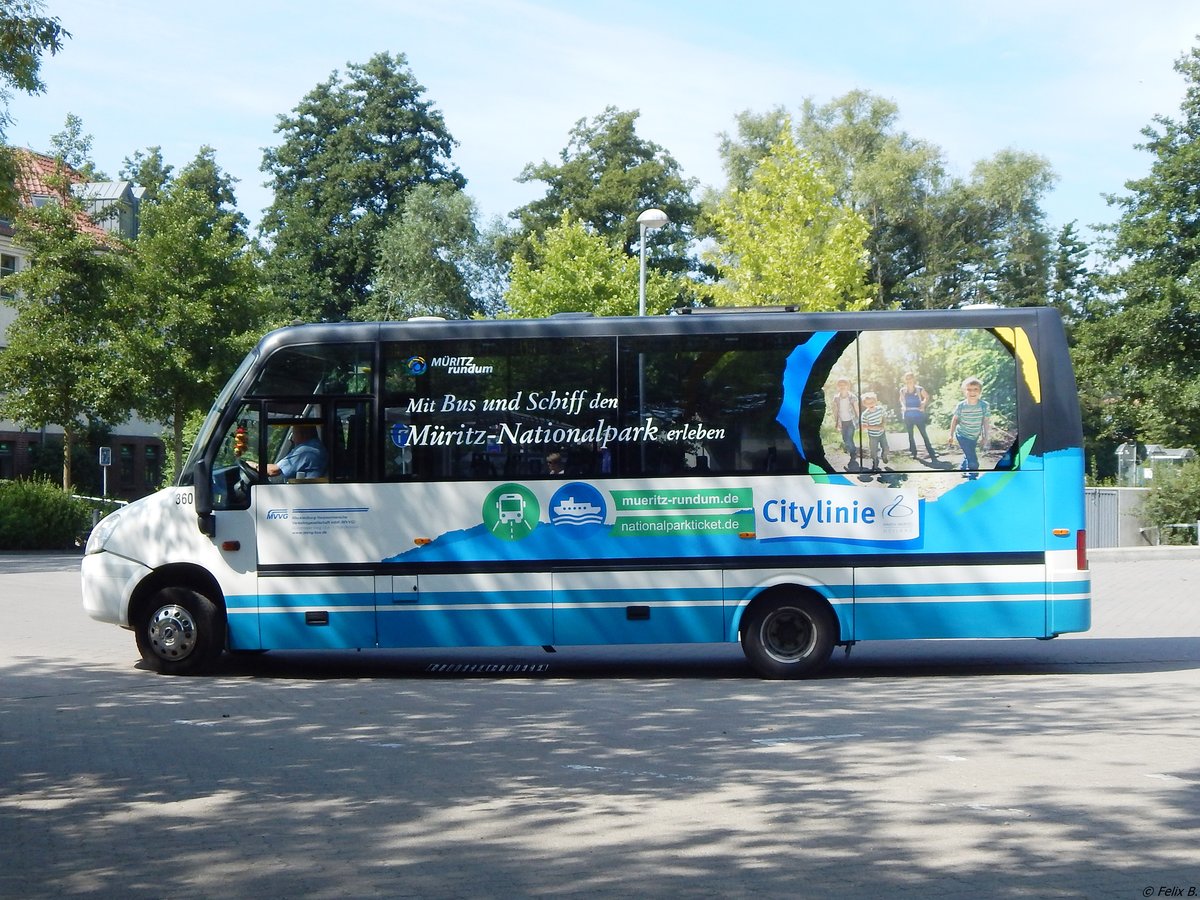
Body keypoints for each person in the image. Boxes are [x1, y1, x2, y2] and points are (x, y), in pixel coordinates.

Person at [949, 377, 991, 478]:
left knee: (969, 452)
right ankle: (972, 476)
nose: (972, 392)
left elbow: (986, 421)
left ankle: (963, 468)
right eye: (969, 389)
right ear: (964, 391)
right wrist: (950, 435)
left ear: (980, 391)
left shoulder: (984, 405)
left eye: (975, 389)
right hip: (962, 434)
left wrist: (985, 437)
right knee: (972, 457)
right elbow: (954, 420)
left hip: (974, 435)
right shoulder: (961, 406)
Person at [899, 372, 938, 461]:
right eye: (907, 378)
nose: (909, 380)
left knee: (924, 434)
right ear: (905, 380)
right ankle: (913, 453)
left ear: (913, 379)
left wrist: (923, 404)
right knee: (910, 434)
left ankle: (932, 453)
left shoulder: (919, 389)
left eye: (910, 378)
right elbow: (901, 400)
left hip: (918, 413)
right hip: (908, 414)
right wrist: (903, 406)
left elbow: (926, 397)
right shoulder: (903, 390)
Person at [829, 377, 860, 459]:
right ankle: (851, 449)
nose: (842, 386)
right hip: (842, 422)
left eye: (844, 385)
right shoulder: (836, 398)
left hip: (851, 421)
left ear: (848, 386)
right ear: (838, 387)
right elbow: (835, 411)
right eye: (840, 385)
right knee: (845, 439)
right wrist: (836, 422)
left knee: (849, 437)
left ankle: (853, 453)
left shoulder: (852, 397)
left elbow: (857, 410)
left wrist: (860, 420)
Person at [860, 391, 888, 471]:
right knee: (873, 451)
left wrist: (883, 424)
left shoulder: (880, 409)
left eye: (872, 402)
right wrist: (875, 427)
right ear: (864, 404)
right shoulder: (865, 414)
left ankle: (884, 455)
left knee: (886, 448)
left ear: (875, 401)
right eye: (868, 403)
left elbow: (884, 417)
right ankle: (875, 461)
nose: (870, 405)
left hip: (882, 433)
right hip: (872, 435)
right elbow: (864, 426)